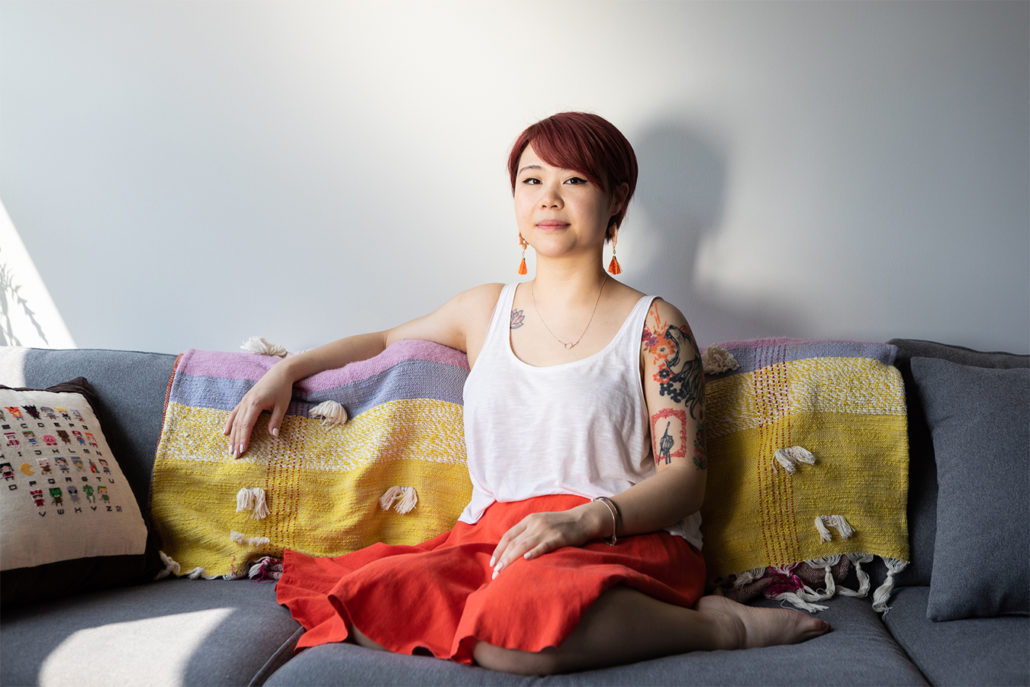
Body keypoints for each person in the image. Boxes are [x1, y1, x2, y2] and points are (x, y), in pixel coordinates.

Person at [223, 112, 830, 675]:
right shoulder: (483, 308)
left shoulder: (656, 327)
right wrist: (288, 368)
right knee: (363, 602)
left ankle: (718, 629)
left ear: (616, 198)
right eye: (532, 179)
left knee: (510, 633)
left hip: (623, 537)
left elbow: (685, 479)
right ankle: (515, 614)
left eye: (574, 180)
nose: (549, 197)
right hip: (497, 536)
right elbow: (383, 339)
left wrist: (584, 521)